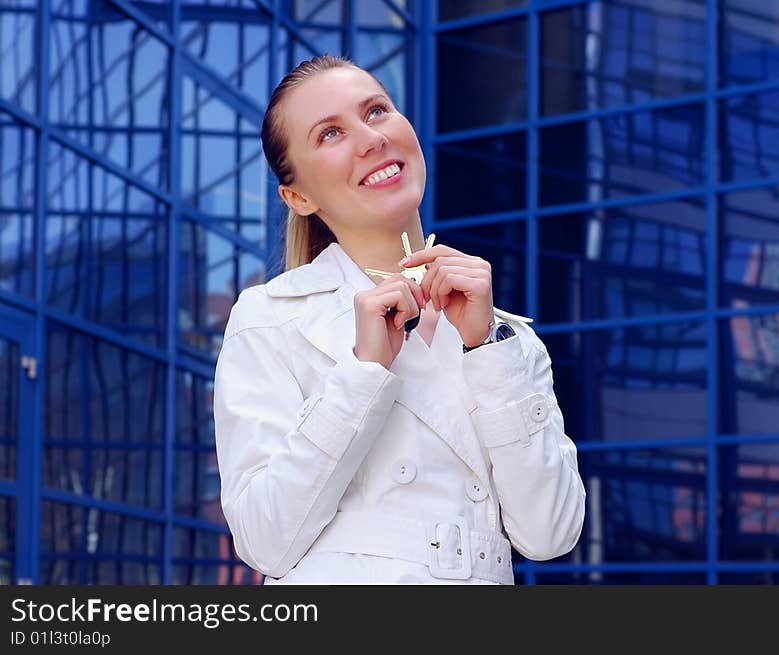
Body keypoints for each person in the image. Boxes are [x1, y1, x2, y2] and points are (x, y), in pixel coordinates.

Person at [213, 55, 585, 584]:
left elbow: (551, 533)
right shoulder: (270, 320)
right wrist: (364, 371)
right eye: (330, 134)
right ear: (297, 197)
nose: (370, 138)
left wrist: (485, 350)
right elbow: (264, 542)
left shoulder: (508, 338)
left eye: (377, 111)